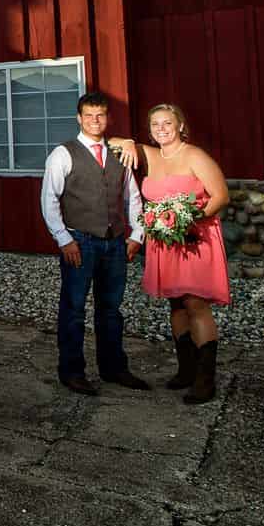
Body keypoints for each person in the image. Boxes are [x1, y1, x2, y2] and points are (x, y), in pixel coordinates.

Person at [110, 105, 230, 405]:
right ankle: (186, 370)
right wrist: (126, 142)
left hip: (195, 237)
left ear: (180, 126)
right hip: (165, 241)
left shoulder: (195, 156)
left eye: (167, 123)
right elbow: (109, 142)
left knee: (195, 302)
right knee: (176, 303)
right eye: (154, 124)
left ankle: (206, 379)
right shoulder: (150, 155)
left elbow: (221, 195)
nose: (161, 128)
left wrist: (188, 219)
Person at [40, 92, 148, 396]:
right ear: (79, 118)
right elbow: (49, 200)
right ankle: (72, 371)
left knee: (111, 309)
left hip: (115, 242)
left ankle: (114, 367)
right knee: (73, 308)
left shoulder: (118, 152)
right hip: (80, 241)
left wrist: (137, 235)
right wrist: (64, 239)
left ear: (107, 117)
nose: (95, 120)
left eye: (100, 115)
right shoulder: (63, 154)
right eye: (89, 115)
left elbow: (133, 197)